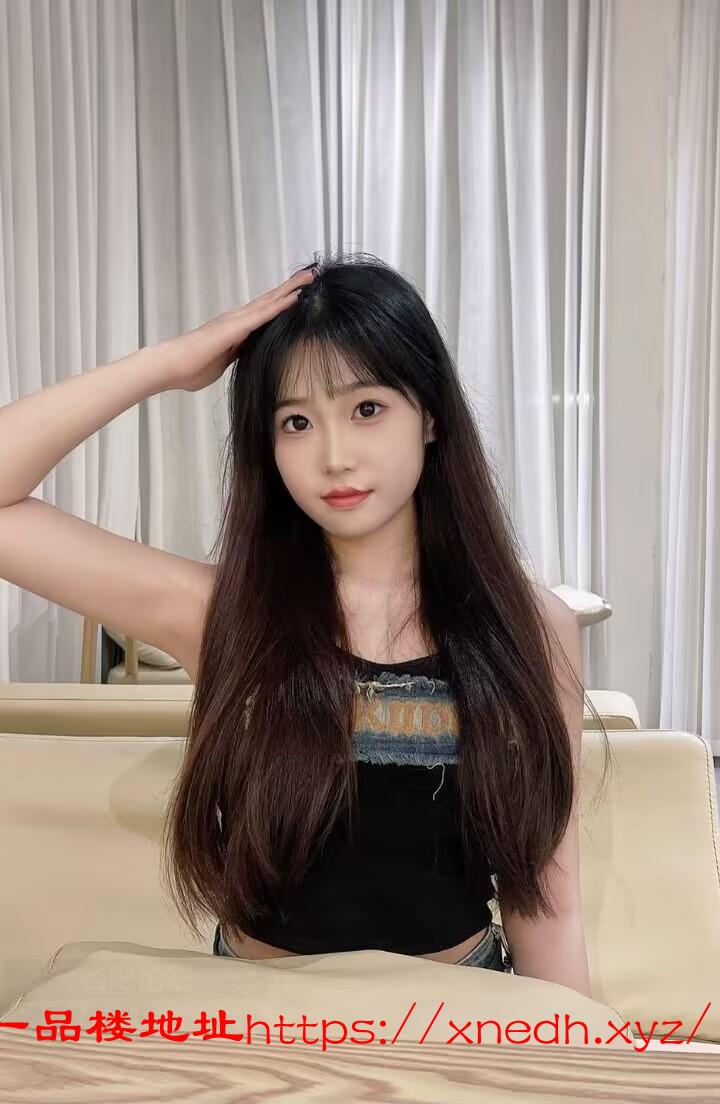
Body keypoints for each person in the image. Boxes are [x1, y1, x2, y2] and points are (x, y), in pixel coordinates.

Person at [0, 251, 610, 996]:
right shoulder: (221, 614)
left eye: (366, 409)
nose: (334, 456)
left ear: (430, 416)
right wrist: (170, 363)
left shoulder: (530, 626)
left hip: (456, 1008)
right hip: (264, 1014)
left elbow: (547, 896)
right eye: (295, 421)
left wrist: (569, 1047)